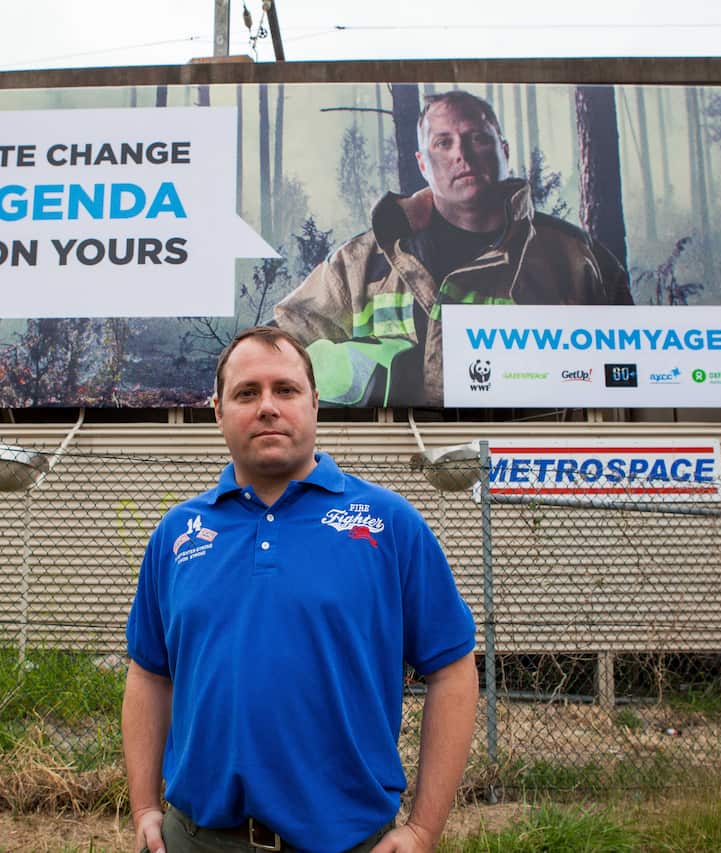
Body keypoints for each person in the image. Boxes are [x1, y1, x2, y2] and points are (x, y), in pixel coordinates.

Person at [123, 326, 478, 853]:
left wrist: (424, 829)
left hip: (348, 842)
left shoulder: (389, 524)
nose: (267, 406)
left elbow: (453, 670)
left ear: (315, 403)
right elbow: (149, 674)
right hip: (196, 839)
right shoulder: (178, 535)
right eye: (247, 393)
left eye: (285, 390)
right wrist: (145, 807)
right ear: (217, 411)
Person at [274, 90, 633, 408]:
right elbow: (277, 349)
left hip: (531, 465)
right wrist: (373, 376)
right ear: (421, 164)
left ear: (503, 150)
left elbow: (630, 373)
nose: (462, 154)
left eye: (477, 138)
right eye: (443, 143)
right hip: (388, 464)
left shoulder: (574, 257)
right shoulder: (361, 262)